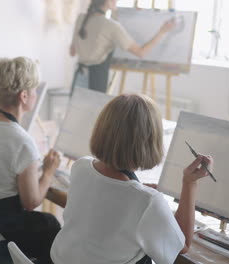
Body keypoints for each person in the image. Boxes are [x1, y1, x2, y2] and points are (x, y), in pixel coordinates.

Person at [50, 94, 213, 264]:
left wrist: (136, 189)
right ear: (150, 142)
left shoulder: (80, 167)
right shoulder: (148, 201)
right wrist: (190, 183)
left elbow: (111, 193)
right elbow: (182, 245)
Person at [0, 57, 67, 264]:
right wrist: (50, 170)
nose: (36, 93)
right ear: (24, 96)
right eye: (34, 89)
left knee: (45, 224)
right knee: (52, 227)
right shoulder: (22, 141)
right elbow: (31, 202)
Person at [70, 0, 176, 93]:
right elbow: (141, 52)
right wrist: (163, 31)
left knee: (74, 114)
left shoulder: (81, 18)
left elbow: (72, 51)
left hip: (78, 77)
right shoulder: (112, 26)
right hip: (96, 80)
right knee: (95, 115)